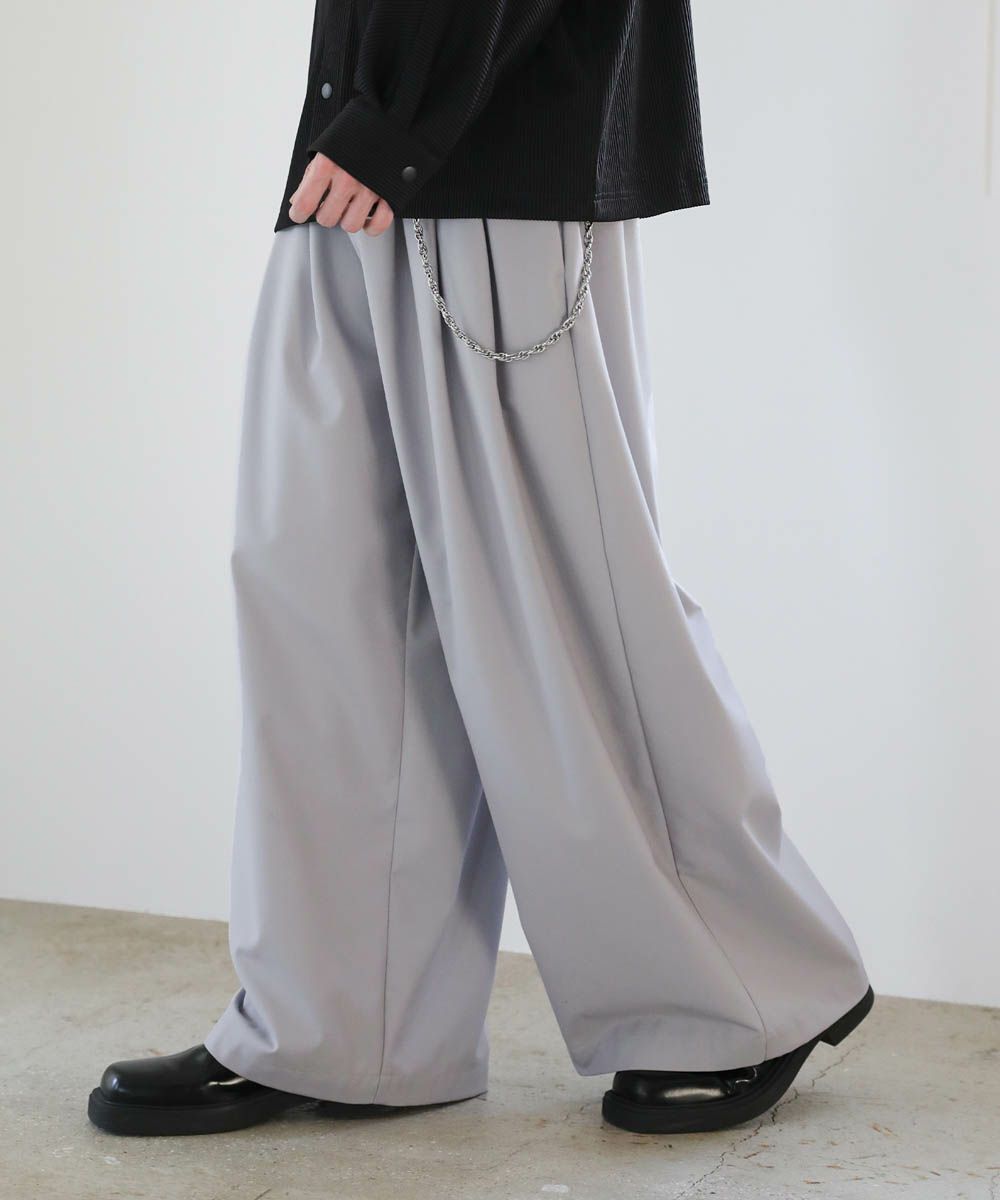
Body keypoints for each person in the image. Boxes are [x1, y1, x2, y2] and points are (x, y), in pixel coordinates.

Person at [86, 0, 873, 1139]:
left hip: (493, 136)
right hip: (361, 130)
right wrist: (373, 112)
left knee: (558, 604)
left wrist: (406, 110)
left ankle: (736, 990)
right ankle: (349, 1023)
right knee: (326, 592)